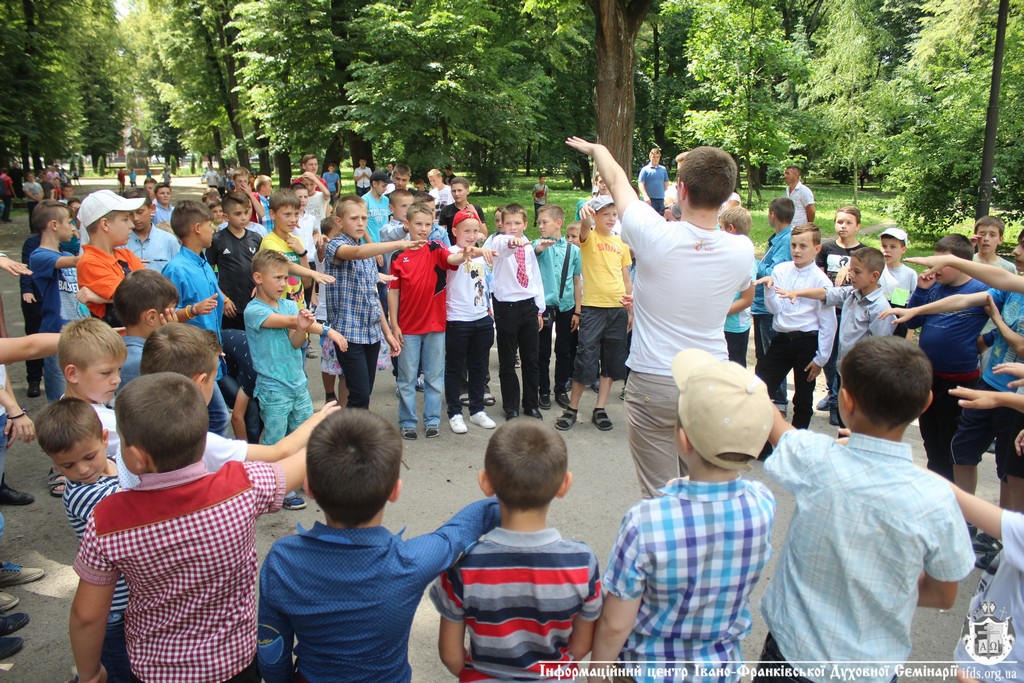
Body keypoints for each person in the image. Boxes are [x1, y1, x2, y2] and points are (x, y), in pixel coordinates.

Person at [753, 336, 974, 683]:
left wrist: (753, 386)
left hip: (792, 655)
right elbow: (944, 593)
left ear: (846, 400)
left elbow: (775, 425)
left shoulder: (816, 459)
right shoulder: (937, 498)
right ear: (926, 404)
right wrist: (884, 587)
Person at [69, 373, 308, 683]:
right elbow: (302, 462)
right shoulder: (242, 486)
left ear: (137, 457)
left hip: (155, 670)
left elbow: (87, 615)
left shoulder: (106, 520)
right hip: (233, 663)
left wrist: (89, 673)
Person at [565, 137, 753, 498]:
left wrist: (599, 150)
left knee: (662, 496)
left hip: (654, 380)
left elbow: (618, 182)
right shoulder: (742, 249)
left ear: (680, 189)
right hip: (710, 380)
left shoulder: (653, 234)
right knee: (702, 487)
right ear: (726, 196)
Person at [256, 410, 501, 683]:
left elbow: (271, 650)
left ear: (309, 487)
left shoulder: (283, 561)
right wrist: (516, 498)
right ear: (394, 491)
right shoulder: (409, 562)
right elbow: (455, 535)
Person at [592, 349, 775, 678]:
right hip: (720, 670)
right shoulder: (762, 503)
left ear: (683, 439)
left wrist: (597, 672)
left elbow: (615, 624)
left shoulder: (645, 522)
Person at [430, 419, 601, 678]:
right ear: (565, 484)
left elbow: (450, 654)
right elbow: (582, 644)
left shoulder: (463, 567)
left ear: (485, 482)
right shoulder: (582, 563)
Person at [876, 235, 990, 484]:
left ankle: (952, 492)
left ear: (961, 264)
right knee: (931, 437)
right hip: (928, 377)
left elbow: (1005, 322)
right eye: (933, 262)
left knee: (952, 442)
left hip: (959, 380)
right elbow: (914, 321)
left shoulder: (980, 290)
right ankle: (936, 485)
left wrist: (984, 341)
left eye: (941, 264)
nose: (933, 269)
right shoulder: (934, 287)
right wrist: (921, 290)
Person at [37, 399, 131, 681]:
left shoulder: (113, 464)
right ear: (54, 463)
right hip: (114, 607)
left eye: (89, 457)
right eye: (67, 465)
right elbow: (133, 506)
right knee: (118, 672)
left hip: (129, 597)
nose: (81, 470)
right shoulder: (82, 494)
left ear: (104, 438)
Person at [388, 203, 482, 439]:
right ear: (407, 224)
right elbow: (393, 291)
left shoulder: (437, 248)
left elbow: (453, 258)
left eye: (428, 224)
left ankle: (432, 420)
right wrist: (394, 324)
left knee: (434, 377)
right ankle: (407, 421)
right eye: (418, 224)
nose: (423, 229)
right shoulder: (399, 255)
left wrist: (465, 255)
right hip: (408, 327)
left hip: (436, 326)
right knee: (407, 378)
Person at [776, 247, 893, 429]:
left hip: (862, 378)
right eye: (850, 269)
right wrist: (797, 293)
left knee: (856, 424)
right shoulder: (852, 294)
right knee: (843, 420)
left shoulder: (880, 309)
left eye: (857, 271)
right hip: (844, 371)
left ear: (874, 276)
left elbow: (881, 351)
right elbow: (827, 293)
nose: (851, 275)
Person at [245, 249, 347, 451]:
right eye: (277, 278)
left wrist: (302, 328)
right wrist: (328, 331)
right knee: (275, 443)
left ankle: (302, 470)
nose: (283, 283)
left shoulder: (290, 305)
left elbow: (295, 342)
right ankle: (272, 472)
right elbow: (288, 321)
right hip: (273, 390)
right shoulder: (253, 310)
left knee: (306, 438)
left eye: (285, 277)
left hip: (298, 385)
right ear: (258, 278)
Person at [324, 196, 420, 408]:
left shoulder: (367, 251)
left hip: (371, 334)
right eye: (354, 218)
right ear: (339, 221)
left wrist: (387, 333)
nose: (360, 223)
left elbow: (374, 297)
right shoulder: (335, 245)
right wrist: (399, 244)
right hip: (348, 334)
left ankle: (353, 427)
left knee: (364, 393)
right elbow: (356, 253)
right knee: (359, 395)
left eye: (364, 218)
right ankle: (350, 428)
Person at [555, 196, 631, 432]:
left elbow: (626, 279)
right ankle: (572, 408)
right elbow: (585, 227)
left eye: (614, 214)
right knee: (585, 358)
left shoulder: (622, 244)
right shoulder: (589, 237)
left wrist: (630, 309)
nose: (610, 218)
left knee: (611, 361)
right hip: (593, 309)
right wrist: (586, 215)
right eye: (605, 214)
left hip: (618, 309)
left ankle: (600, 408)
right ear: (596, 216)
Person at [754, 223, 836, 430]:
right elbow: (775, 309)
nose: (797, 250)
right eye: (793, 245)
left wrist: (821, 358)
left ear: (817, 249)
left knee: (803, 399)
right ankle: (762, 441)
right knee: (759, 389)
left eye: (803, 246)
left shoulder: (821, 281)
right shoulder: (781, 270)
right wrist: (769, 289)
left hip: (807, 343)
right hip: (781, 339)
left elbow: (828, 323)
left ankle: (798, 440)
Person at [162, 200, 232, 437]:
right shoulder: (176, 269)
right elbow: (164, 317)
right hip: (191, 358)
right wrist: (192, 310)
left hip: (210, 354)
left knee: (211, 416)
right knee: (217, 416)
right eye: (210, 225)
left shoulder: (203, 263)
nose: (214, 229)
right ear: (197, 228)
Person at [488, 203, 545, 420]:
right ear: (501, 225)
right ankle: (510, 406)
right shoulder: (498, 242)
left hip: (528, 305)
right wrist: (513, 242)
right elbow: (506, 246)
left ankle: (531, 404)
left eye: (517, 223)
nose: (513, 227)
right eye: (508, 223)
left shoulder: (528, 247)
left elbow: (535, 277)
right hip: (507, 307)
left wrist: (539, 309)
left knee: (531, 359)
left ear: (525, 224)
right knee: (508, 360)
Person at [445, 208, 498, 434]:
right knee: (455, 368)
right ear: (454, 231)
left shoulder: (482, 256)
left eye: (475, 231)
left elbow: (485, 284)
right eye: (466, 231)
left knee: (479, 367)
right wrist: (477, 251)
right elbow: (459, 258)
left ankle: (477, 410)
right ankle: (455, 413)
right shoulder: (450, 252)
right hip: (457, 319)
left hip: (481, 318)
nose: (471, 235)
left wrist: (489, 310)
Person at [29, 200, 86, 401]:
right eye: (70, 223)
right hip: (56, 337)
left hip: (80, 334)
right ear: (54, 225)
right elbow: (78, 261)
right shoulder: (39, 256)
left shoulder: (67, 253)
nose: (73, 228)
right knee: (61, 401)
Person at [814, 206, 865, 425]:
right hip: (830, 308)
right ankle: (832, 391)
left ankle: (837, 402)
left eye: (848, 222)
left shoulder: (862, 252)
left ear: (858, 226)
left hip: (851, 310)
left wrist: (850, 269)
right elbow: (819, 275)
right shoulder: (827, 248)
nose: (843, 226)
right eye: (839, 222)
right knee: (828, 354)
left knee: (843, 356)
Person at [534, 204, 581, 411]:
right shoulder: (538, 246)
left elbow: (577, 281)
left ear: (558, 223)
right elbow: (535, 251)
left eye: (544, 222)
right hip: (543, 307)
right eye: (539, 223)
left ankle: (560, 389)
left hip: (567, 306)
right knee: (542, 351)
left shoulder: (573, 250)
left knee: (564, 350)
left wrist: (578, 310)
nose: (540, 226)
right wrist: (540, 247)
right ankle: (543, 390)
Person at [75, 190, 146, 326]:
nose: (132, 225)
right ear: (105, 224)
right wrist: (117, 298)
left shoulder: (126, 255)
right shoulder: (89, 262)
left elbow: (158, 291)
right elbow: (138, 298)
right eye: (125, 219)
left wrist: (102, 299)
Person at [752, 198, 795, 415]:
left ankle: (779, 402)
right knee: (763, 356)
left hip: (769, 305)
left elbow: (774, 272)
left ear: (772, 214)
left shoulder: (786, 241)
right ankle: (764, 398)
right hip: (760, 304)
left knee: (772, 357)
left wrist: (756, 266)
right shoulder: (778, 238)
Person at [260, 188, 334, 308]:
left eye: (296, 214)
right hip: (278, 309)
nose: (293, 220)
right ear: (272, 214)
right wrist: (314, 273)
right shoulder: (269, 242)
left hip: (298, 307)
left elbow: (306, 283)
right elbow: (285, 265)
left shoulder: (296, 241)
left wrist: (302, 254)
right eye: (287, 215)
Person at [112, 269, 179, 392]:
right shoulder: (149, 361)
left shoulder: (113, 353)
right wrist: (171, 339)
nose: (174, 318)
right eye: (171, 312)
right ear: (151, 317)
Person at [209, 192, 263, 331]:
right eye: (238, 214)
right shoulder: (216, 240)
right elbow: (208, 274)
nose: (244, 217)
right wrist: (223, 299)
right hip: (230, 306)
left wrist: (260, 286)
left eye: (246, 212)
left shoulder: (256, 238)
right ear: (226, 217)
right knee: (231, 341)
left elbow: (263, 268)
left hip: (254, 303)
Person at [719, 206, 756, 366]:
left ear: (730, 228)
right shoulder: (725, 254)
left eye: (721, 228)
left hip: (735, 328)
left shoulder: (747, 260)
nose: (719, 232)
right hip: (721, 325)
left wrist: (719, 312)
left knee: (734, 369)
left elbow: (747, 299)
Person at [123, 188, 179, 274]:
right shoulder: (119, 243)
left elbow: (178, 273)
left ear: (152, 208)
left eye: (140, 212)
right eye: (129, 214)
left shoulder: (168, 240)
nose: (135, 218)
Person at [878, 227, 917, 309]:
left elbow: (915, 299)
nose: (887, 250)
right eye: (884, 246)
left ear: (903, 249)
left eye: (893, 247)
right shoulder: (876, 270)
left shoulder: (910, 274)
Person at [439, 176, 486, 243]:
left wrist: (475, 214)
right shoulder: (446, 210)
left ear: (467, 191)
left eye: (459, 190)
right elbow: (441, 234)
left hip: (471, 246)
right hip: (452, 246)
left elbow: (484, 234)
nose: (456, 194)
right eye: (454, 191)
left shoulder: (476, 208)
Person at [636, 147, 670, 214]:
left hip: (661, 199)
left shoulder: (663, 169)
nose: (655, 159)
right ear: (650, 157)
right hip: (650, 199)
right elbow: (641, 183)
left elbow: (666, 183)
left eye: (657, 157)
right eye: (654, 157)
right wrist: (645, 196)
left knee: (661, 217)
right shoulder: (645, 169)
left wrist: (666, 195)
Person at [363, 170, 391, 243]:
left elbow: (387, 221)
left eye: (386, 186)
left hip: (383, 243)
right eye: (383, 186)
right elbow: (362, 225)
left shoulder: (386, 200)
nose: (385, 189)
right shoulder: (365, 200)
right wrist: (371, 244)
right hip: (369, 244)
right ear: (374, 184)